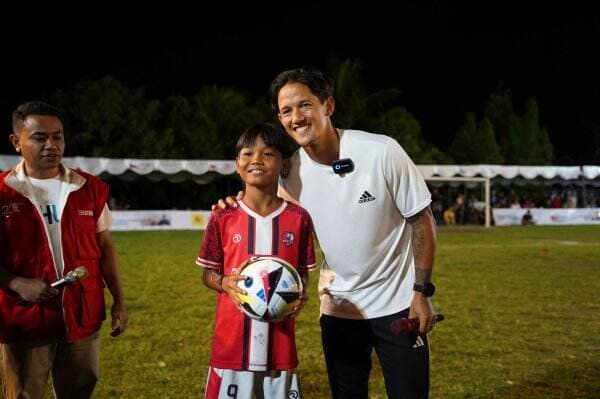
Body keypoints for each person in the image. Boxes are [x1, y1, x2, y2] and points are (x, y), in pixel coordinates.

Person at [218, 67, 438, 398]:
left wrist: (421, 292)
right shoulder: (288, 174)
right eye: (286, 111)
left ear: (328, 107)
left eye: (304, 105)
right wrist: (231, 203)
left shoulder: (381, 152)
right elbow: (262, 209)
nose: (296, 118)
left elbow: (421, 220)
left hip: (399, 306)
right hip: (339, 309)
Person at [0, 101, 128, 399]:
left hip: (82, 317)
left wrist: (119, 300)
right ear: (15, 142)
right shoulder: (3, 192)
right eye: (39, 137)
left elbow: (105, 247)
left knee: (79, 392)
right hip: (25, 320)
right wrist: (17, 283)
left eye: (57, 136)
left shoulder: (89, 188)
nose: (51, 144)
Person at [196, 123, 316, 399]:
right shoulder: (222, 216)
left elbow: (301, 274)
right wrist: (223, 282)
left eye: (267, 154)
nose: (256, 160)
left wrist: (298, 295)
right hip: (232, 346)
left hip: (281, 346)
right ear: (237, 164)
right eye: (247, 154)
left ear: (284, 165)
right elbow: (208, 274)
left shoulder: (299, 218)